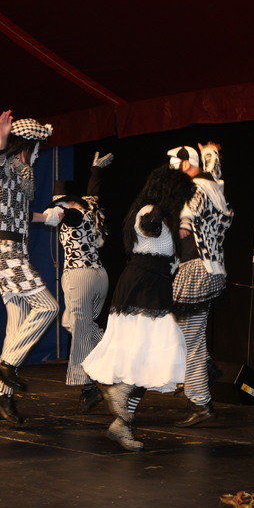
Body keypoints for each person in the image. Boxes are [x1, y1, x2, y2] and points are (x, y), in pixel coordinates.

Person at [82, 165, 196, 451]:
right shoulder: (150, 212)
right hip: (142, 285)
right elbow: (150, 228)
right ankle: (120, 393)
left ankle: (121, 425)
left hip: (152, 284)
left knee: (150, 359)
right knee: (151, 350)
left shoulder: (160, 214)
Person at [0, 110, 62, 424]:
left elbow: (18, 213)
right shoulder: (6, 169)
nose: (38, 155)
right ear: (25, 146)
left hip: (11, 250)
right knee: (47, 306)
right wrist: (1, 140)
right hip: (6, 253)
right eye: (36, 148)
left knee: (16, 327)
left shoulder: (18, 178)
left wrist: (46, 217)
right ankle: (6, 364)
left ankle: (3, 393)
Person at [169, 143, 233, 427]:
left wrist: (183, 222)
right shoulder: (214, 188)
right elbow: (213, 177)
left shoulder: (197, 188)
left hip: (197, 269)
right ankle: (204, 371)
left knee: (188, 340)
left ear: (185, 164)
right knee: (190, 334)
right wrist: (212, 155)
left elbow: (191, 209)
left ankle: (200, 400)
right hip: (212, 269)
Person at [49, 151, 112, 413]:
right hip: (99, 276)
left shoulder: (71, 215)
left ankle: (87, 387)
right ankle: (113, 351)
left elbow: (65, 215)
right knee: (76, 324)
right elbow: (94, 191)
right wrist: (96, 169)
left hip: (80, 276)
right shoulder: (90, 207)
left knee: (80, 329)